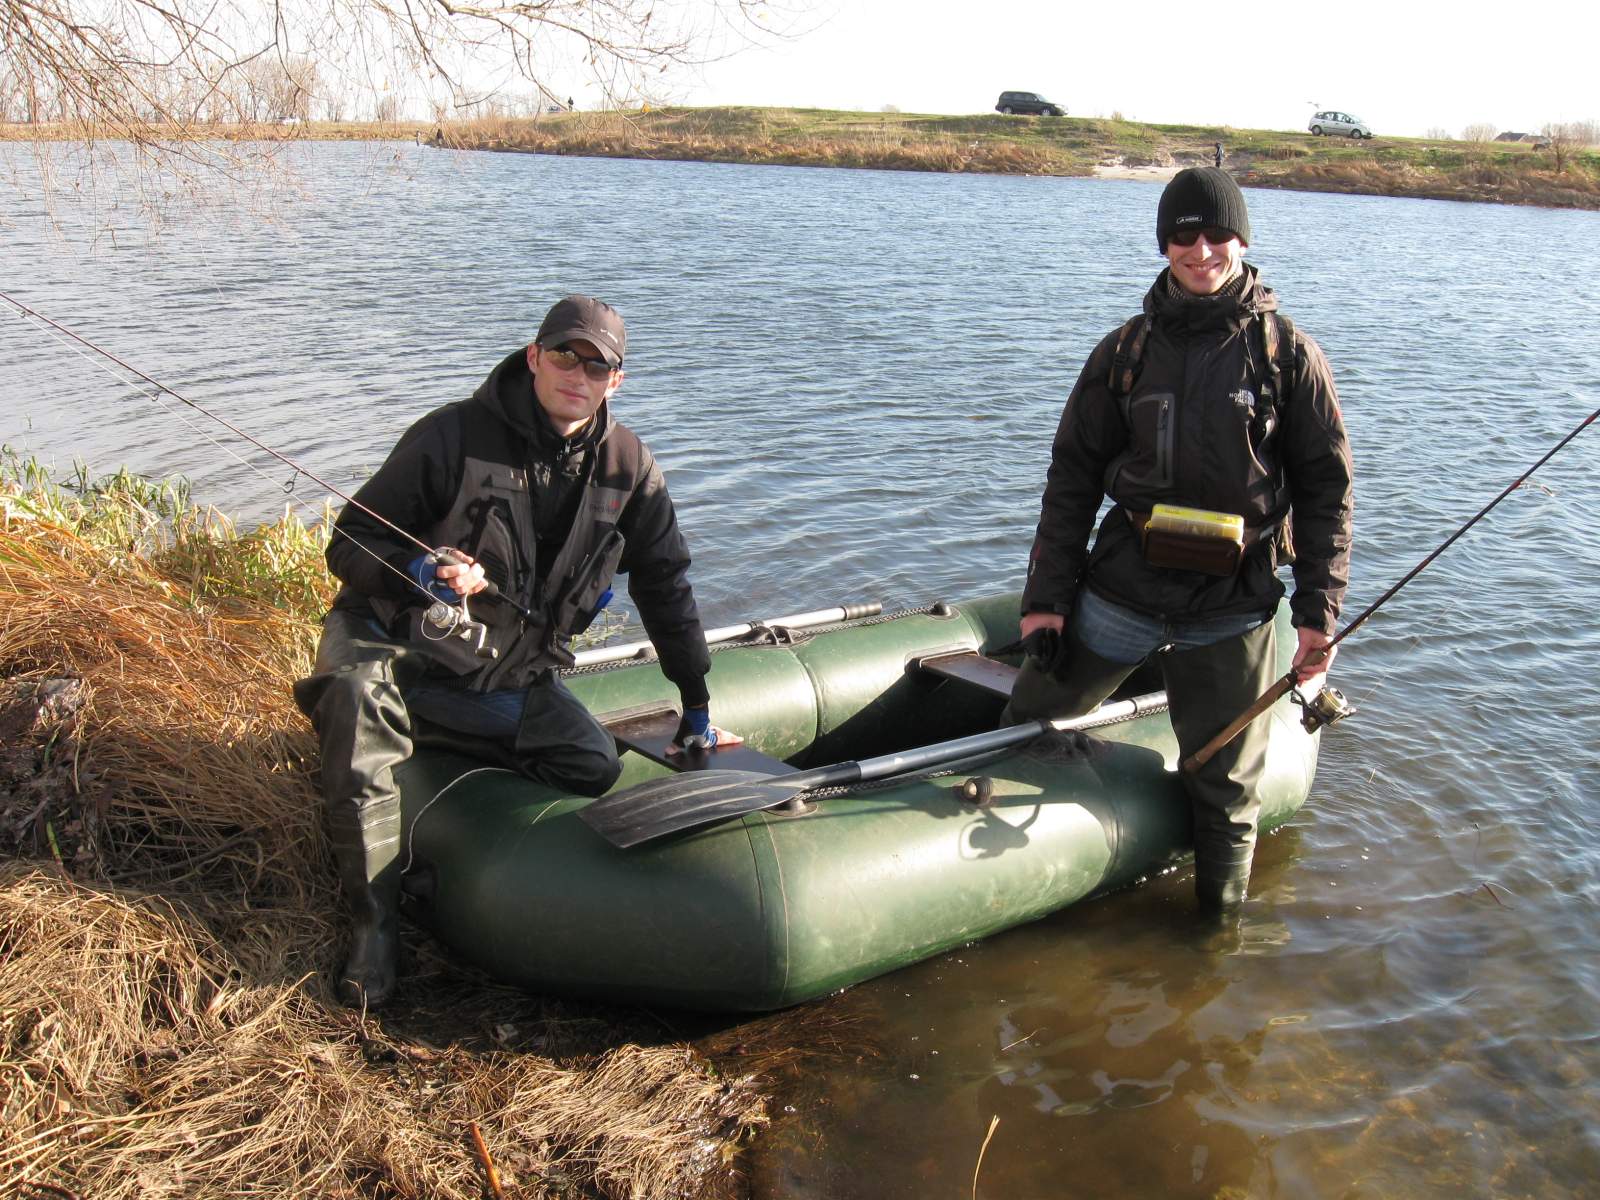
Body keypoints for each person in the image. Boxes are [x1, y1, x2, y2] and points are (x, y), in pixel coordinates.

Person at [294, 295, 722, 1007]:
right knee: (356, 695)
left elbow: (666, 584)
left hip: (494, 669)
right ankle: (375, 924)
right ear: (534, 357)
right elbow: (348, 542)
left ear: (615, 381)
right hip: (391, 640)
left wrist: (696, 698)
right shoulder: (450, 436)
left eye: (597, 366)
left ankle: (414, 739)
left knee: (590, 765)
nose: (577, 374)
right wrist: (421, 569)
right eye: (564, 356)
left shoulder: (630, 469)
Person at [1010, 167, 1353, 914]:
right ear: (1164, 244)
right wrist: (1046, 601)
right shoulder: (1124, 352)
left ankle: (1217, 935)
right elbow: (1071, 480)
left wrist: (1316, 616)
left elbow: (1327, 496)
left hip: (1233, 607)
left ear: (1242, 241)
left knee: (1228, 794)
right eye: (1183, 236)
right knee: (1023, 729)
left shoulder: (1289, 357)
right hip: (1121, 592)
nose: (1201, 252)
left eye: (1217, 234)